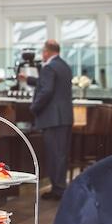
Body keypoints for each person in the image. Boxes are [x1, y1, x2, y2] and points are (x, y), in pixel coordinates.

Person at [30, 40, 73, 200]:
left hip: (52, 117)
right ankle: (60, 187)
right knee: (61, 154)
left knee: (54, 154)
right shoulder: (64, 66)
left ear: (46, 52)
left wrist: (34, 107)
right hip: (65, 117)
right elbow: (48, 83)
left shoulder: (48, 67)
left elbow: (46, 90)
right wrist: (28, 79)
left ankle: (58, 190)